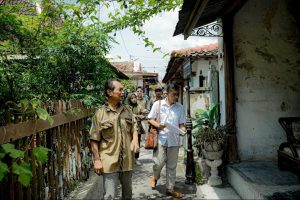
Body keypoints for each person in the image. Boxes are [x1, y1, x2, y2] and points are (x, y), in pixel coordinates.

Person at [90, 79, 139, 199]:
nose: (123, 92)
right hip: (109, 160)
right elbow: (94, 138)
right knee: (110, 195)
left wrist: (135, 140)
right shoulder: (100, 113)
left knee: (127, 195)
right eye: (120, 90)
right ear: (110, 92)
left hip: (127, 160)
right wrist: (97, 160)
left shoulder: (127, 110)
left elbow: (134, 127)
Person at [147, 83, 186, 198]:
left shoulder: (180, 107)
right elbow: (150, 119)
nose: (176, 97)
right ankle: (155, 176)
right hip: (160, 139)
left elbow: (182, 124)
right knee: (158, 163)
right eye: (174, 94)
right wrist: (158, 126)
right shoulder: (158, 104)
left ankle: (170, 188)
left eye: (177, 94)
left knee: (172, 166)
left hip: (174, 140)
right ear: (166, 94)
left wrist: (183, 130)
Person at [126, 93, 146, 165]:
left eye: (135, 98)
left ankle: (136, 158)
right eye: (132, 98)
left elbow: (144, 116)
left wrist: (137, 116)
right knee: (128, 143)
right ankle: (130, 158)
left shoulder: (139, 106)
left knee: (137, 142)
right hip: (128, 127)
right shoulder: (126, 107)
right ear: (129, 99)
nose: (134, 99)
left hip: (138, 127)